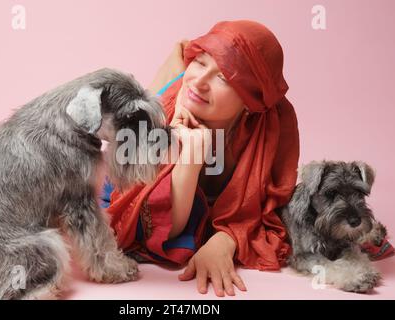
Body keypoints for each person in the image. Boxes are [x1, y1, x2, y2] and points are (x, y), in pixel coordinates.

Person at [103, 20, 300, 297]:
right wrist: (190, 161)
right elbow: (159, 229)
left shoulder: (267, 131)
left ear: (249, 102)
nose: (200, 82)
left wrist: (225, 240)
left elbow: (266, 208)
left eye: (223, 78)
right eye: (200, 62)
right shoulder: (161, 120)